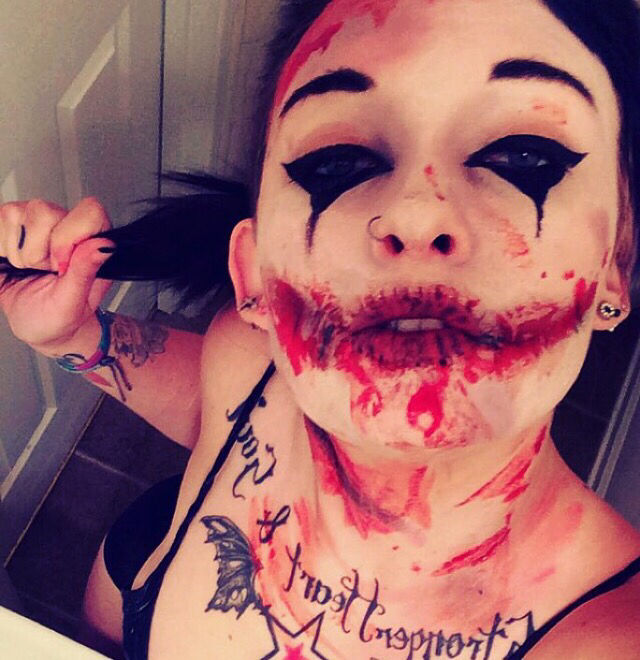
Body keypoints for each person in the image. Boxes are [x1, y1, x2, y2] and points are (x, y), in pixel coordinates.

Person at [2, 0, 640, 657]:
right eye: (336, 162)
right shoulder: (248, 360)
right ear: (253, 271)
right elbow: (213, 408)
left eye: (523, 156)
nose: (417, 216)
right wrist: (74, 338)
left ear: (616, 262)